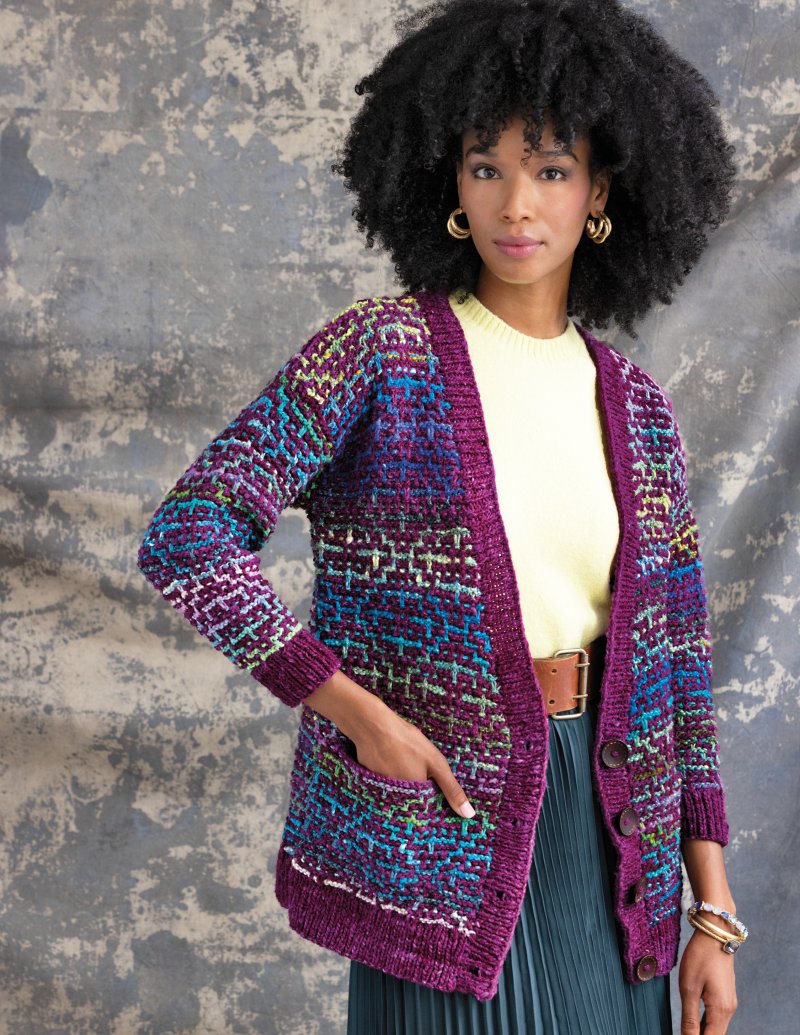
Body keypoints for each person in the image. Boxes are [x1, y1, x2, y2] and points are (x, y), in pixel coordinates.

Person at [137, 1, 747, 1032]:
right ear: (450, 186)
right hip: (440, 838)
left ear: (600, 191)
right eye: (485, 167)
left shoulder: (639, 409)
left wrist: (711, 913)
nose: (517, 203)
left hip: (616, 849)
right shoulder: (377, 355)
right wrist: (355, 714)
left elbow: (679, 674)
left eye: (550, 169)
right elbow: (188, 537)